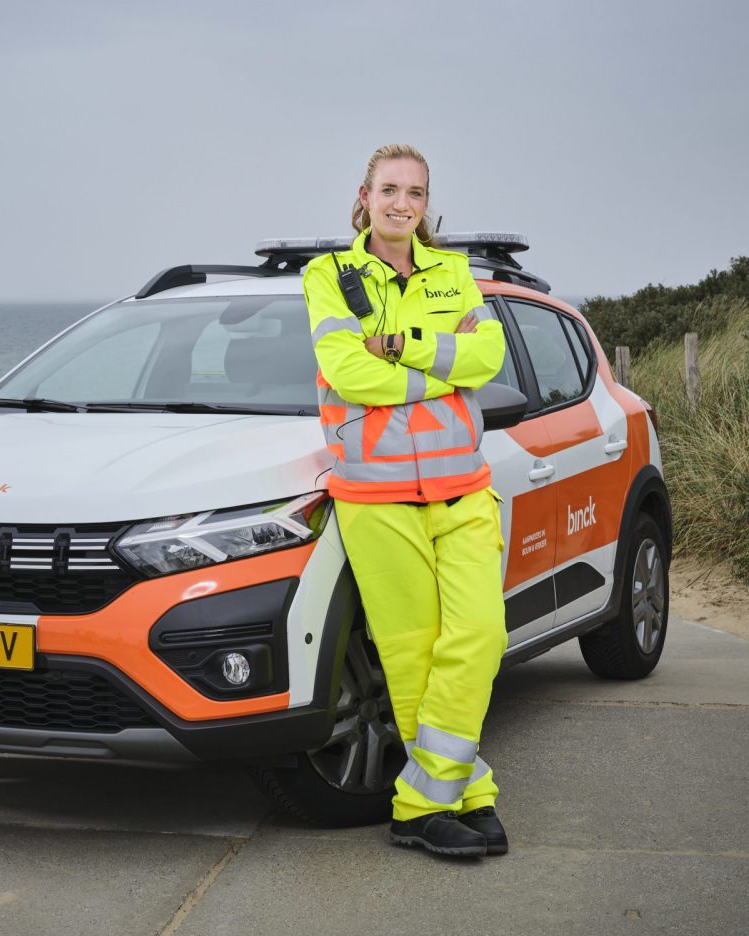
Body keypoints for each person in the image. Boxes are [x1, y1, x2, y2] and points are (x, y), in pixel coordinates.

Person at [302, 143, 509, 858]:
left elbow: (488, 359)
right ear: (363, 196)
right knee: (414, 657)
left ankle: (422, 801)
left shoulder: (454, 272)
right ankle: (463, 794)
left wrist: (400, 342)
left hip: (462, 489)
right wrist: (436, 367)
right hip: (375, 496)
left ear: (427, 203)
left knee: (481, 636)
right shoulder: (327, 275)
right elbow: (348, 370)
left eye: (415, 193)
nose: (401, 203)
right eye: (389, 189)